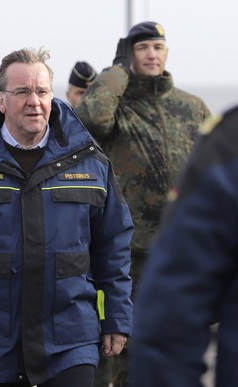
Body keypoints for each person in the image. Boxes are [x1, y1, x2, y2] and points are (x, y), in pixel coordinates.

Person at [0, 46, 134, 387]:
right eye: (22, 92)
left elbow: (114, 244)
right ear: (2, 100)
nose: (34, 101)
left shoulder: (90, 163)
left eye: (42, 91)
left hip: (70, 343)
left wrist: (117, 317)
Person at [76, 21, 211, 386]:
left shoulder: (192, 107)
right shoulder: (118, 107)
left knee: (185, 346)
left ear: (166, 52)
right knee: (131, 353)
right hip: (132, 255)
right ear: (129, 55)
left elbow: (217, 173)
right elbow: (90, 118)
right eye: (141, 48)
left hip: (184, 252)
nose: (151, 54)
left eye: (157, 46)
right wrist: (117, 70)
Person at [131, 108, 238, 386]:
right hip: (142, 263)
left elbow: (165, 332)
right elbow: (167, 331)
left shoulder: (226, 141)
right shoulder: (229, 147)